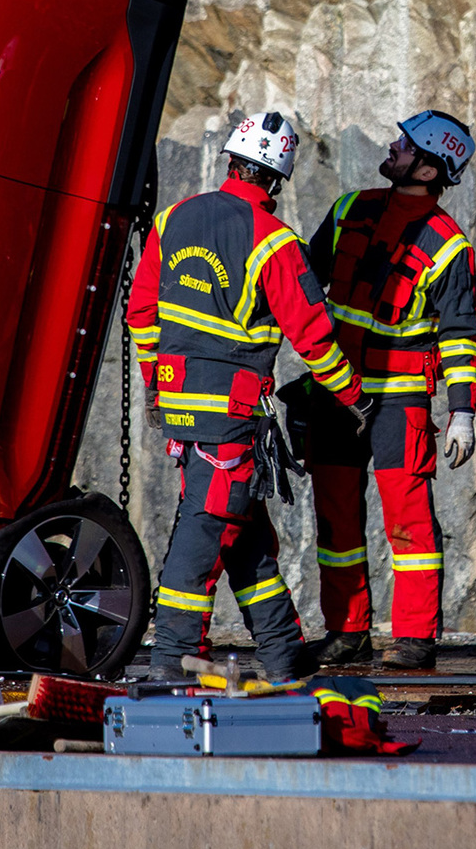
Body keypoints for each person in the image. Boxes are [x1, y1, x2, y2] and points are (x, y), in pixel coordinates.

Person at [125, 110, 368, 680]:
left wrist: (159, 381)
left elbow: (142, 312)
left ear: (230, 160)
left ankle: (285, 658)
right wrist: (353, 396)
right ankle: (171, 665)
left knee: (246, 540)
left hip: (183, 413)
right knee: (199, 544)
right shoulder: (275, 241)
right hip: (232, 420)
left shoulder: (172, 220)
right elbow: (313, 335)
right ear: (277, 179)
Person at [300, 112, 476, 673]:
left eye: (405, 145)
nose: (391, 145)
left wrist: (461, 413)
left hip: (399, 402)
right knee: (336, 520)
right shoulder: (350, 208)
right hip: (333, 391)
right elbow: (302, 283)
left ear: (429, 167)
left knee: (409, 521)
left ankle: (415, 638)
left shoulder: (450, 247)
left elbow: (460, 334)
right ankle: (346, 631)